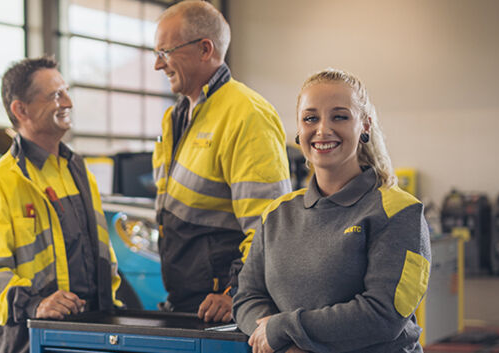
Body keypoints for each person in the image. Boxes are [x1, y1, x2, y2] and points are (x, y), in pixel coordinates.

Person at [233, 68, 432, 353]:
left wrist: (284, 329)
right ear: (299, 130)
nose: (323, 129)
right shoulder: (277, 214)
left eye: (339, 116)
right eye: (310, 118)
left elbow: (383, 315)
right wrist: (283, 345)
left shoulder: (399, 213)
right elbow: (247, 297)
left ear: (364, 125)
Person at [0, 56, 122, 353]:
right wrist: (36, 305)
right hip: (29, 339)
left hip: (88, 332)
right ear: (20, 109)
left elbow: (101, 252)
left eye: (66, 91)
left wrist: (111, 309)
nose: (68, 102)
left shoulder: (77, 169)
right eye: (55, 95)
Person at [152, 1, 291, 323]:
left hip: (226, 308)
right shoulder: (174, 117)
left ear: (204, 49)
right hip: (188, 300)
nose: (158, 66)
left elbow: (269, 224)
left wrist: (235, 292)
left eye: (165, 52)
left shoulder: (246, 113)